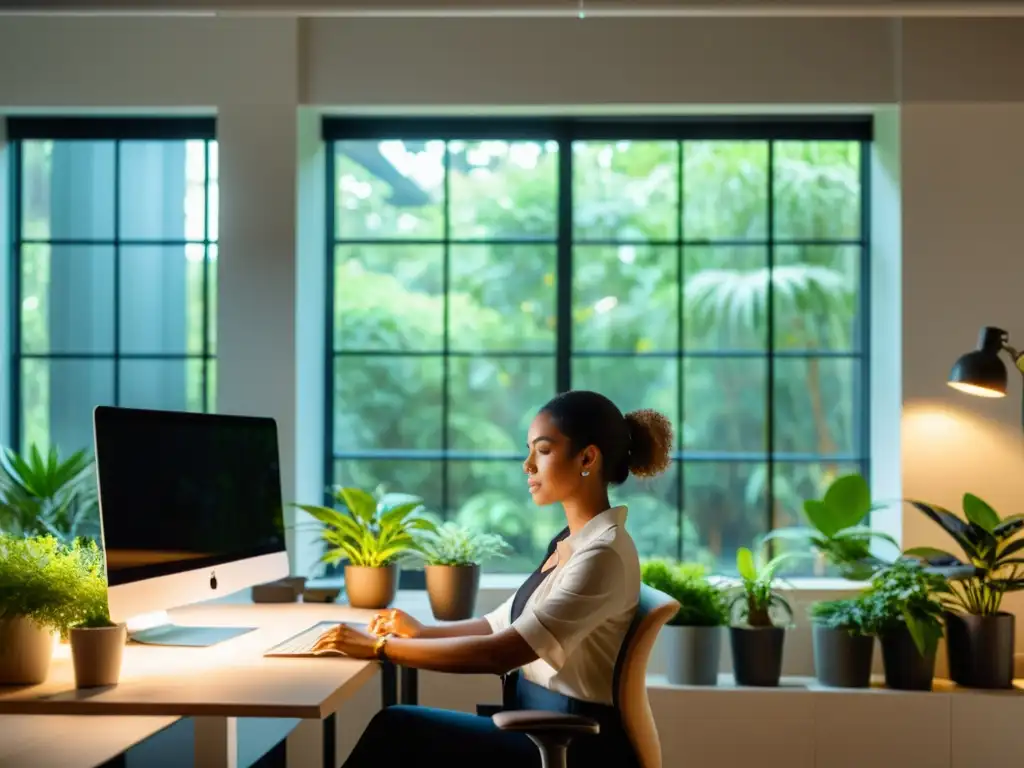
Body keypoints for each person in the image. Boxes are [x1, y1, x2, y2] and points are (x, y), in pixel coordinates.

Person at [312, 390, 674, 768]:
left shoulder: (603, 556)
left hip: (573, 748)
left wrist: (380, 649)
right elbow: (496, 625)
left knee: (397, 728)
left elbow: (503, 651)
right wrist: (419, 633)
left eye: (543, 450)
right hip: (544, 732)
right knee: (400, 729)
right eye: (529, 450)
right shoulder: (572, 543)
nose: (527, 465)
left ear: (587, 457)